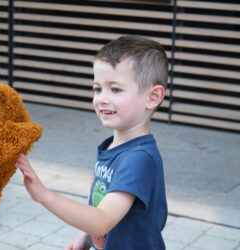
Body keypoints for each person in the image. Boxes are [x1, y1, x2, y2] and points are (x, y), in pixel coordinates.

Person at [16, 35, 168, 250]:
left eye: (115, 89)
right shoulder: (113, 146)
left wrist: (44, 195)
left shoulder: (139, 159)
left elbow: (102, 219)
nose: (101, 98)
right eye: (97, 88)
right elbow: (101, 201)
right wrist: (85, 235)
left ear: (152, 97)